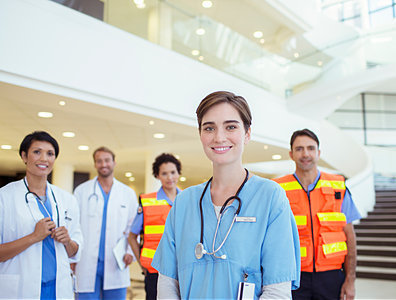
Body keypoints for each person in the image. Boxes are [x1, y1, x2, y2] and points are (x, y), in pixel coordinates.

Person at [151, 91, 300, 299]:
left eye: (231, 127)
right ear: (200, 134)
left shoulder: (270, 198)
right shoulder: (184, 202)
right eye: (209, 128)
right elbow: (167, 283)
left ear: (247, 133)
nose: (219, 137)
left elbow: (277, 290)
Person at [273, 129, 361, 300]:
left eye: (310, 148)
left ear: (318, 153)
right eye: (299, 149)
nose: (305, 154)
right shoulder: (278, 189)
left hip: (332, 276)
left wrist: (350, 281)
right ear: (291, 154)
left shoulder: (338, 186)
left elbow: (350, 236)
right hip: (293, 276)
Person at [0, 131, 83, 299]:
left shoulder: (67, 199)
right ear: (24, 156)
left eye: (50, 154)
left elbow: (74, 251)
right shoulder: (4, 197)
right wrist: (34, 237)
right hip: (21, 289)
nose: (44, 159)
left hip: (58, 289)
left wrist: (67, 241)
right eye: (37, 152)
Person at [73, 146, 138, 299]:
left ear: (114, 162)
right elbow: (74, 226)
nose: (103, 164)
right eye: (99, 161)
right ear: (95, 164)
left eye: (107, 160)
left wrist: (130, 252)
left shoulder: (127, 193)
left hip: (116, 260)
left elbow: (133, 226)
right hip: (86, 261)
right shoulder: (82, 191)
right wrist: (72, 257)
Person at [128, 153, 182, 300]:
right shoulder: (147, 201)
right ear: (157, 176)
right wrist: (141, 263)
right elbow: (132, 236)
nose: (169, 177)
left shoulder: (187, 200)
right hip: (154, 269)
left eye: (173, 172)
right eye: (164, 173)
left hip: (182, 268)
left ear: (178, 173)